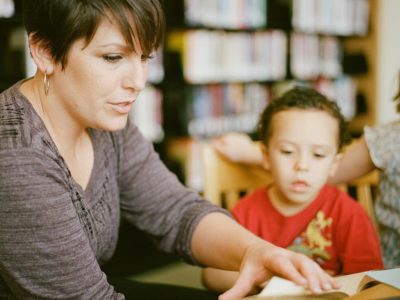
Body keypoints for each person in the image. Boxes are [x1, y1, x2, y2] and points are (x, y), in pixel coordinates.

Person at [0, 1, 340, 299]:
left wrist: (255, 250)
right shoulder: (16, 155)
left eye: (145, 57)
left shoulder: (103, 122)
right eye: (114, 57)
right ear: (44, 51)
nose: (138, 80)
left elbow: (175, 212)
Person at [202, 87, 383, 294]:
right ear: (266, 156)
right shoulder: (246, 211)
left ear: (335, 163)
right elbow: (211, 275)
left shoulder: (349, 213)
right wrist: (273, 280)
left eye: (318, 154)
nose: (302, 165)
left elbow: (369, 281)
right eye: (288, 151)